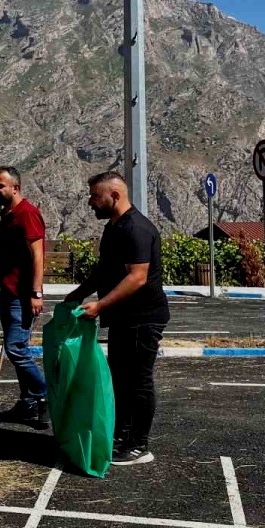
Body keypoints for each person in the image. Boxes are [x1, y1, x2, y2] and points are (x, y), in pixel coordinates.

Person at [64, 171, 169, 466]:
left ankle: (138, 445)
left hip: (143, 318)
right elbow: (105, 270)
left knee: (138, 381)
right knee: (119, 379)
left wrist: (99, 305)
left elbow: (137, 277)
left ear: (114, 195)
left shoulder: (136, 228)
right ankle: (120, 436)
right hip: (124, 317)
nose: (90, 203)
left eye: (95, 197)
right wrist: (78, 293)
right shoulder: (113, 228)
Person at [0, 166, 49, 427]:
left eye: (0, 185)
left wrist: (35, 292)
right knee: (18, 348)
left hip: (22, 295)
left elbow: (38, 254)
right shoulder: (8, 214)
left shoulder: (27, 213)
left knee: (16, 348)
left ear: (15, 188)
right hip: (8, 292)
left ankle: (44, 393)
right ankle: (28, 405)